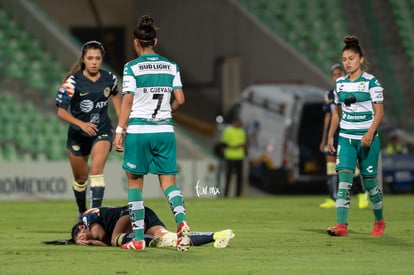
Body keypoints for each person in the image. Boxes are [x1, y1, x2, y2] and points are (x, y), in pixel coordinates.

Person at [113, 15, 190, 251]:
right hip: (164, 130)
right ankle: (182, 223)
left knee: (135, 183)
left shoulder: (131, 67)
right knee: (169, 183)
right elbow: (180, 99)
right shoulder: (171, 66)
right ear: (155, 41)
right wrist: (168, 111)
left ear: (136, 43)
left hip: (139, 130)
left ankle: (137, 239)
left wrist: (119, 130)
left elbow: (127, 100)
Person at [326, 35, 385, 237]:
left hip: (367, 139)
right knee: (344, 180)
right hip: (346, 139)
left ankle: (379, 221)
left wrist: (370, 132)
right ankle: (342, 226)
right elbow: (337, 111)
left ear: (360, 59)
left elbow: (380, 112)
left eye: (351, 58)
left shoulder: (371, 82)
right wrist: (330, 136)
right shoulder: (340, 84)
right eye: (345, 59)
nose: (348, 63)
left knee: (370, 183)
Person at [56, 41, 121, 218]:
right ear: (83, 60)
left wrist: (121, 126)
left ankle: (94, 217)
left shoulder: (110, 79)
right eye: (90, 58)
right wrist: (81, 124)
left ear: (102, 60)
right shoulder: (72, 82)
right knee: (80, 179)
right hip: (78, 135)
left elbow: (115, 96)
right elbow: (61, 111)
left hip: (102, 131)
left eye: (98, 58)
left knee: (97, 170)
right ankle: (81, 211)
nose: (94, 62)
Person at [319, 64, 369, 209]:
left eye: (338, 74)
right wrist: (324, 138)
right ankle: (333, 197)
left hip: (347, 130)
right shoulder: (329, 95)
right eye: (334, 75)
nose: (336, 77)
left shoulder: (351, 91)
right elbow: (328, 116)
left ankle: (361, 193)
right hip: (333, 132)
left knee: (348, 164)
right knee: (330, 163)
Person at [71, 205, 235, 248]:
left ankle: (152, 241)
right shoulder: (89, 228)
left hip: (128, 213)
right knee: (170, 237)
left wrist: (93, 241)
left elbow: (99, 235)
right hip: (144, 213)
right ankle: (218, 235)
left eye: (79, 237)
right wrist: (92, 242)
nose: (82, 240)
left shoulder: (87, 217)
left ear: (82, 227)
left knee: (117, 239)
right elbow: (101, 241)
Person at [220, 117, 247, 197]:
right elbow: (224, 143)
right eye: (238, 122)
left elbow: (244, 143)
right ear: (234, 122)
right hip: (230, 156)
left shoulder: (242, 131)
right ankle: (226, 194)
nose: (239, 124)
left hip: (239, 157)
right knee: (228, 177)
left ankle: (238, 195)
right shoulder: (228, 130)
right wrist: (234, 147)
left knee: (239, 177)